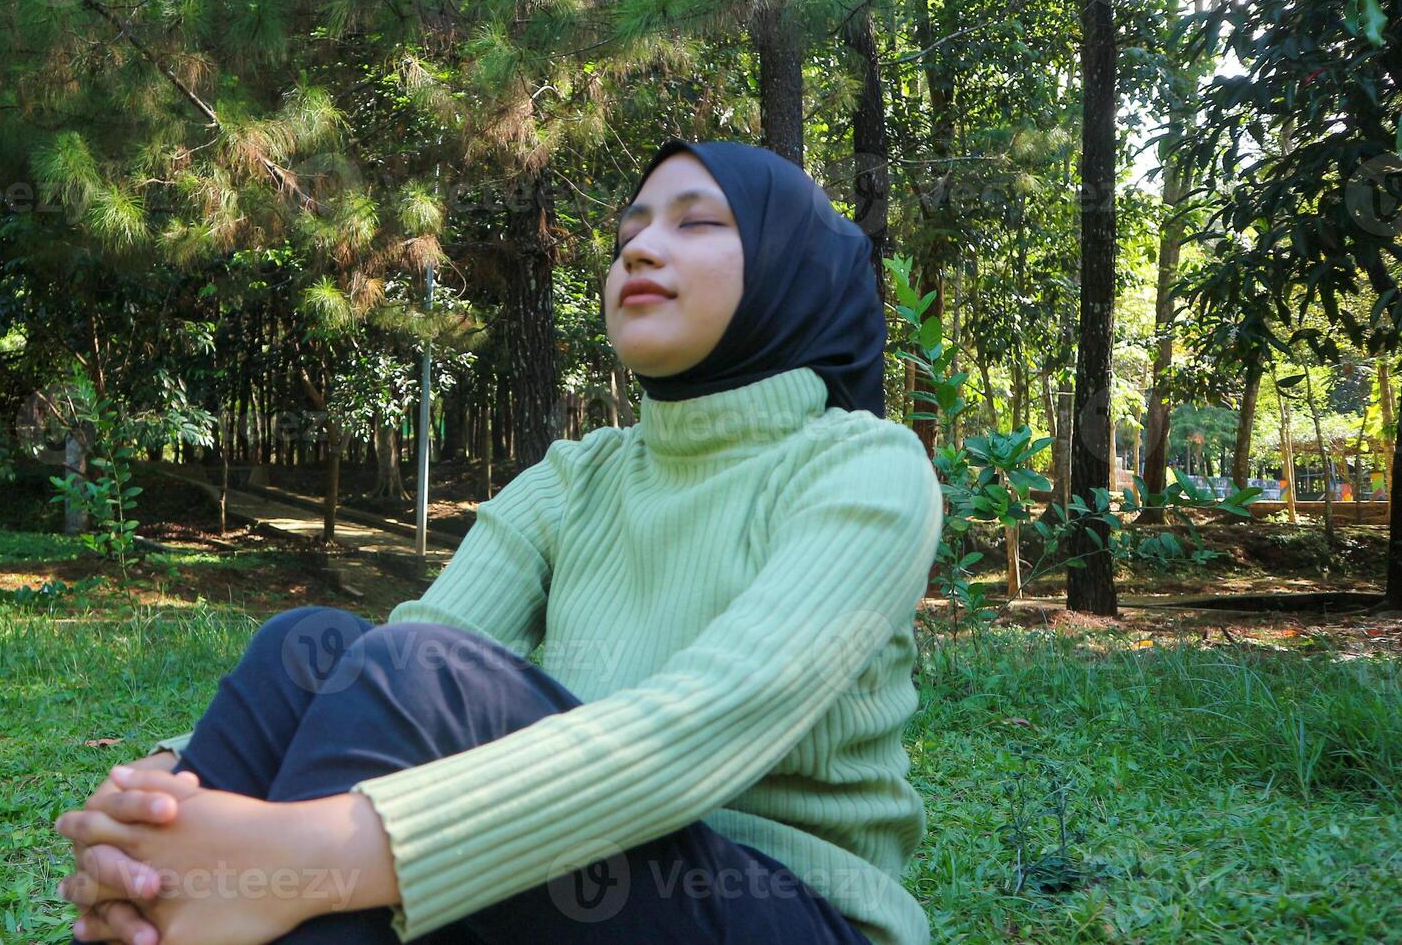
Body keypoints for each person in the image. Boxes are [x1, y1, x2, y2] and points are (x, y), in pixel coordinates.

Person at [52, 139, 943, 945]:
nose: (637, 247)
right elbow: (393, 659)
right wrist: (166, 789)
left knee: (401, 690)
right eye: (628, 229)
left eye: (696, 222)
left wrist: (308, 853)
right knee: (311, 644)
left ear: (791, 269)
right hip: (577, 871)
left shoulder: (864, 468)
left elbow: (708, 727)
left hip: (783, 913)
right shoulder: (577, 476)